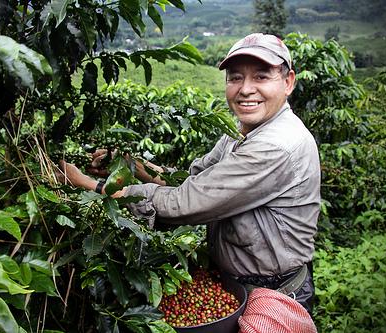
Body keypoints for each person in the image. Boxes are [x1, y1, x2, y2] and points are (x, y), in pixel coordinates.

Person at [58, 33, 321, 315]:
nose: (245, 89)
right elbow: (191, 179)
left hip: (274, 295)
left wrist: (87, 184)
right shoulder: (242, 132)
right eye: (235, 78)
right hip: (240, 285)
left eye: (261, 77)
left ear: (288, 82)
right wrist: (126, 164)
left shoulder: (275, 145)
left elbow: (183, 203)